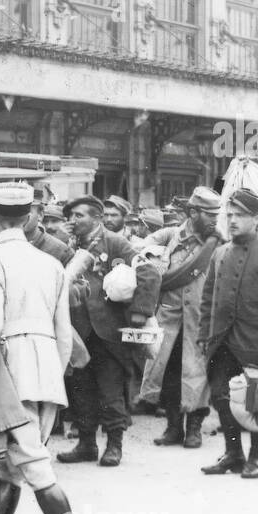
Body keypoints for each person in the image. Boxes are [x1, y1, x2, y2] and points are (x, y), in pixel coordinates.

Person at [0, 184, 92, 514]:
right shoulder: (50, 264)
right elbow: (63, 332)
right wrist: (52, 373)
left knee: (34, 465)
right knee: (12, 468)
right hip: (45, 371)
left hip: (10, 369)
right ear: (27, 218)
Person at [58, 196, 161, 468]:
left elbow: (149, 271)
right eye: (70, 216)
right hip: (78, 331)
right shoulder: (69, 245)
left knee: (110, 390)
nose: (72, 221)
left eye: (79, 216)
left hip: (108, 333)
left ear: (97, 218)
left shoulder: (115, 243)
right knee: (81, 389)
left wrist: (141, 311)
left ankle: (114, 445)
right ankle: (87, 444)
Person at [197, 189, 258, 479]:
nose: (233, 221)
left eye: (240, 216)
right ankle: (233, 453)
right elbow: (208, 299)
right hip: (222, 341)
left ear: (255, 218)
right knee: (221, 397)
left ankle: (256, 457)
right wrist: (205, 334)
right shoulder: (220, 253)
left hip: (256, 343)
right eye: (230, 215)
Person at [138, 186, 222, 449]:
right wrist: (155, 260)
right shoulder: (171, 236)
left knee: (198, 375)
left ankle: (194, 428)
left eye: (216, 215)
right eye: (209, 215)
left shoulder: (218, 243)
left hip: (200, 321)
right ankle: (173, 428)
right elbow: (140, 250)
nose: (214, 221)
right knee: (168, 375)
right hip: (170, 321)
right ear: (193, 212)